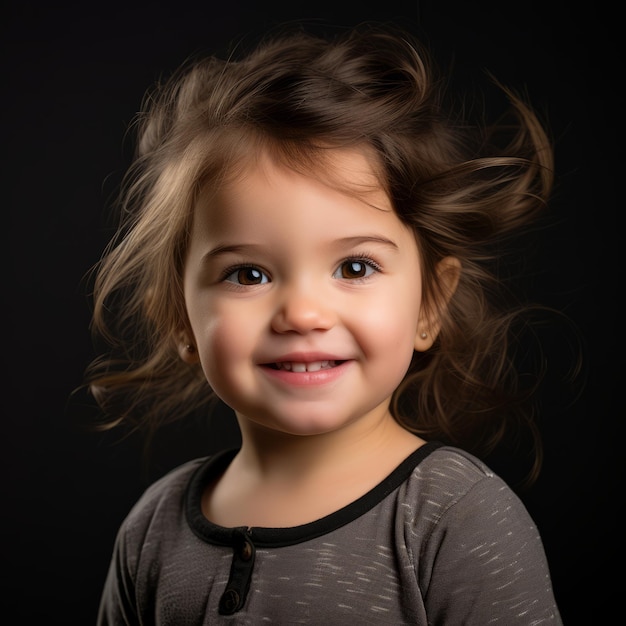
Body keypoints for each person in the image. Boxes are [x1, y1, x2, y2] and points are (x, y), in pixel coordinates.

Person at [85, 20, 564, 624]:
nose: (304, 314)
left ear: (429, 306)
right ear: (180, 318)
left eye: (355, 266)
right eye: (248, 275)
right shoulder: (152, 530)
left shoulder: (455, 520)